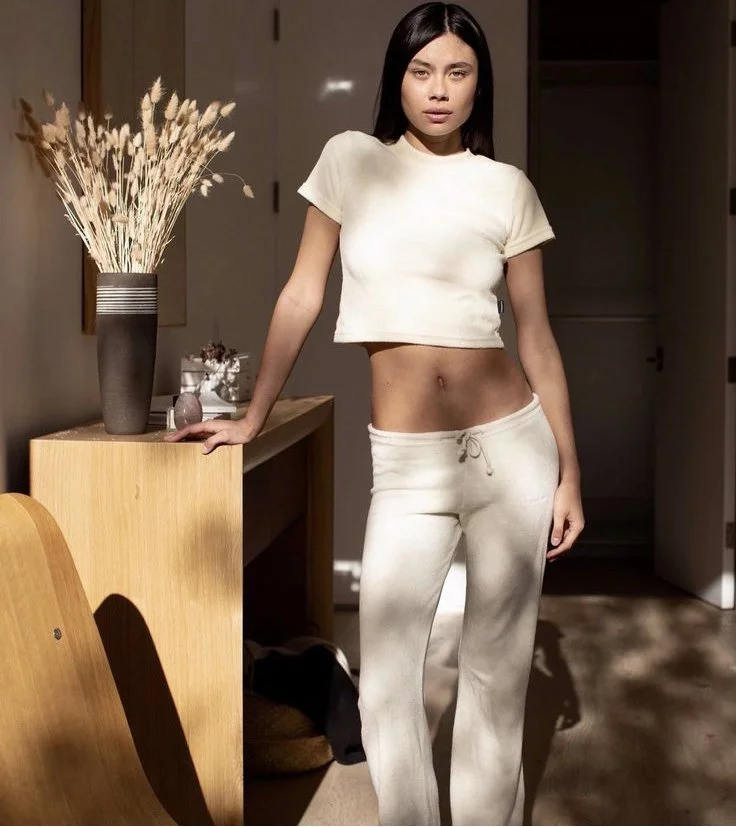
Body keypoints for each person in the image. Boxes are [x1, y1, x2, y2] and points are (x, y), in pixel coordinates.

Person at [167, 2, 584, 823]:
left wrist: (570, 470)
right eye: (422, 70)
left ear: (478, 86)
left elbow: (537, 338)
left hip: (512, 450)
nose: (438, 90)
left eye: (457, 72)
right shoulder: (351, 161)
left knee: (497, 682)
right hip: (405, 460)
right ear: (397, 77)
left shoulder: (506, 188)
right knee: (388, 682)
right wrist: (254, 416)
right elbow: (301, 292)